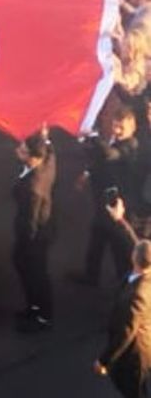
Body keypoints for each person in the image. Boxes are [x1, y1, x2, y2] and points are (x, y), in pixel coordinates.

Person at [94, 197, 151, 398]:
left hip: (136, 350)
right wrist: (120, 221)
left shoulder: (138, 292)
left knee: (133, 390)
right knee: (136, 388)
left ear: (134, 260)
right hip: (142, 346)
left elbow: (126, 332)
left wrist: (104, 360)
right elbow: (135, 243)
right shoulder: (145, 271)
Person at [72, 108, 139, 287]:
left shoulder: (130, 146)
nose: (116, 130)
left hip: (117, 204)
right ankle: (91, 276)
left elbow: (109, 155)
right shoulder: (114, 141)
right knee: (97, 240)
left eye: (121, 127)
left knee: (119, 247)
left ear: (132, 127)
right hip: (104, 200)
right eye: (115, 126)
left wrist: (93, 136)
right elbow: (99, 158)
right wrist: (87, 173)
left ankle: (126, 285)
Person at [12, 127, 56, 332]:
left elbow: (30, 221)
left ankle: (42, 311)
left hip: (34, 237)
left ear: (32, 157)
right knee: (33, 270)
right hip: (44, 231)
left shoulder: (32, 188)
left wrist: (26, 244)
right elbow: (51, 153)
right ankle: (36, 306)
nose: (18, 149)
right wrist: (46, 138)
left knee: (33, 271)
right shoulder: (47, 164)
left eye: (23, 149)